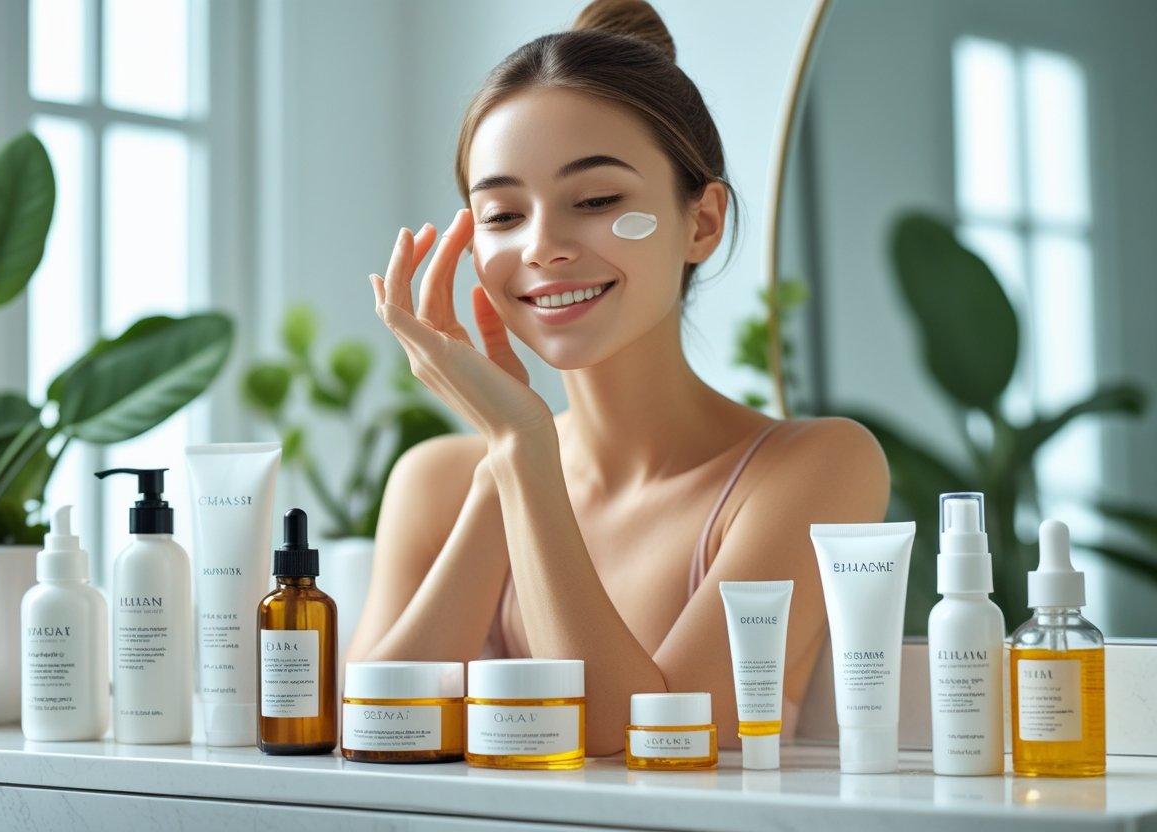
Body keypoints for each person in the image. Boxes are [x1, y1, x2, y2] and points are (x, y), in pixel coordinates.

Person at [348, 0, 889, 756]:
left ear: (701, 223)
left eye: (598, 200)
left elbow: (637, 746)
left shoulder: (813, 469)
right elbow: (376, 733)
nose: (544, 247)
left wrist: (524, 450)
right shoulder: (436, 482)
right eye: (502, 215)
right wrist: (507, 461)